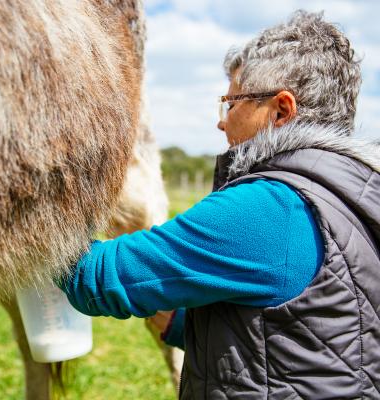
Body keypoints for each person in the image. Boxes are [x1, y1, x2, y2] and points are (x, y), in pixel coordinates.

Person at [59, 10, 380, 399]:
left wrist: (33, 227)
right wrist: (182, 323)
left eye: (231, 102)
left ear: (281, 110)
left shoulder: (269, 207)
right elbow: (306, 326)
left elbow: (101, 276)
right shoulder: (350, 196)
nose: (222, 122)